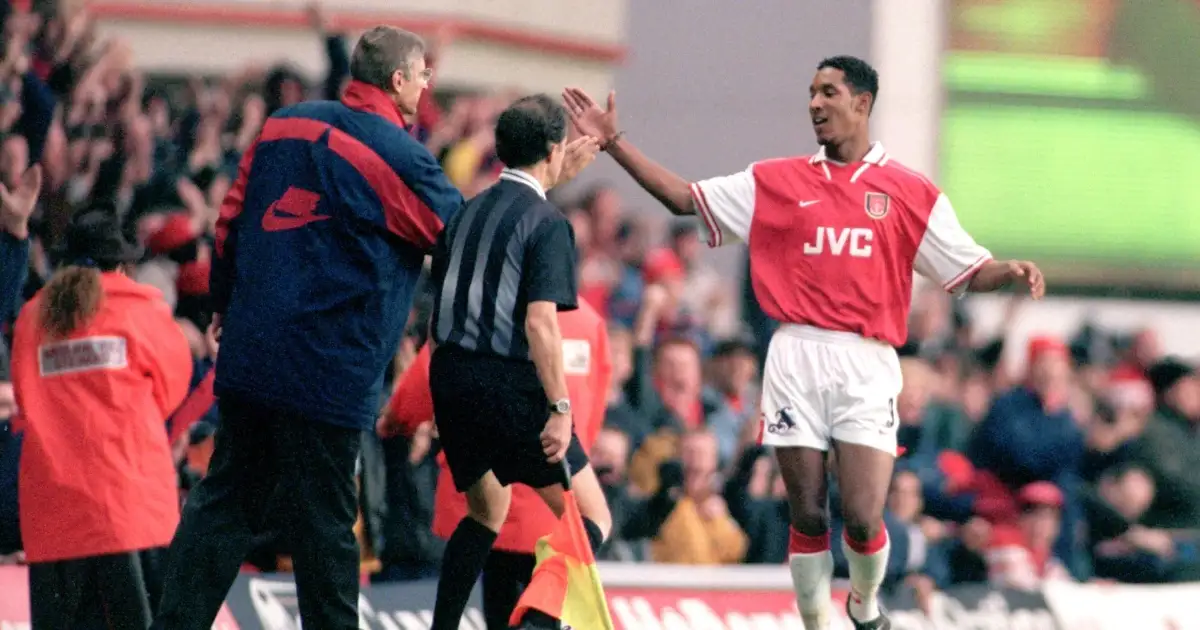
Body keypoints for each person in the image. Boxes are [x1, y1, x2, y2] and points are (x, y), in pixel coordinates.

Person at [562, 55, 1045, 630]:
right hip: (794, 355)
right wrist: (614, 142)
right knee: (808, 511)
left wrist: (1008, 271)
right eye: (811, 92)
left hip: (867, 362)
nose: (814, 103)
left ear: (862, 104)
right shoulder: (777, 180)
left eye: (829, 92)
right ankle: (816, 620)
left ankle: (864, 605)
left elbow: (966, 269)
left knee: (863, 518)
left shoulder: (909, 192)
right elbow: (683, 198)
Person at [152, 26, 465, 630]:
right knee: (325, 530)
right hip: (329, 373)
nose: (429, 84)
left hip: (251, 357)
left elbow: (230, 221)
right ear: (398, 81)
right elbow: (460, 241)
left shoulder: (280, 126)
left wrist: (223, 304)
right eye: (424, 74)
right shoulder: (401, 158)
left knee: (224, 508)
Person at [424, 94, 610, 630]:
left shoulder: (465, 212)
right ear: (554, 149)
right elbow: (539, 324)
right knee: (592, 517)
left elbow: (440, 314)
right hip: (507, 383)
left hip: (451, 376)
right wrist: (558, 407)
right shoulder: (549, 223)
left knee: (486, 512)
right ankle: (536, 622)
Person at [378, 299, 610, 630]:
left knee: (498, 603)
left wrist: (397, 418)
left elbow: (434, 370)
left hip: (495, 491)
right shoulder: (590, 323)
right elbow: (594, 408)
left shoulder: (485, 311)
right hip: (560, 496)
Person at [10, 209, 192, 629]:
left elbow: (24, 400)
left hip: (55, 517)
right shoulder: (140, 308)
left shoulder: (32, 318)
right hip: (130, 512)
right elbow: (171, 388)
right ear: (121, 263)